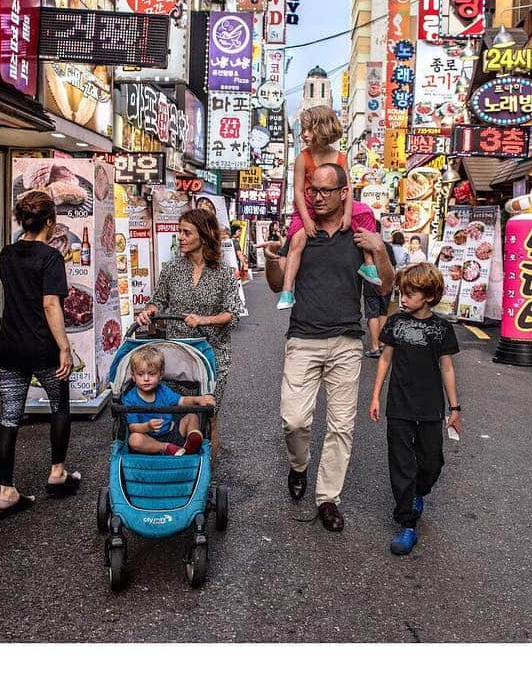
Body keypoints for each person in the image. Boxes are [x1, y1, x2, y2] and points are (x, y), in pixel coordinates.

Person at [264, 162, 395, 532]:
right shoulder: (300, 234)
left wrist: (380, 251)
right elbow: (277, 285)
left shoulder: (358, 236)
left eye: (325, 191)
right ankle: (298, 465)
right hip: (302, 339)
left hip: (346, 343)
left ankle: (327, 498)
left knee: (341, 427)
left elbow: (384, 288)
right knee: (294, 420)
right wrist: (272, 260)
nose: (317, 198)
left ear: (343, 194)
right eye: (313, 192)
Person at [0, 190, 78, 520]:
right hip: (42, 346)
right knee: (60, 405)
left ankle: (6, 492)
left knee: (9, 417)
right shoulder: (50, 257)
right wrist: (64, 348)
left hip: (11, 345)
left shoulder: (6, 254)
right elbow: (50, 304)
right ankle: (57, 472)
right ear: (50, 222)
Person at [369, 263, 461, 556]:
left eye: (410, 293)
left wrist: (454, 407)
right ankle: (407, 522)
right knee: (401, 465)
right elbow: (385, 360)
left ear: (430, 295)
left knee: (432, 462)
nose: (404, 298)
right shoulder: (395, 323)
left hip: (431, 407)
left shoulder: (442, 329)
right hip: (399, 405)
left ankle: (419, 492)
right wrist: (375, 396)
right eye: (402, 293)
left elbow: (447, 368)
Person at [137, 208, 244, 454]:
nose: (181, 237)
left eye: (186, 232)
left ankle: (206, 472)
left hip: (212, 353)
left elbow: (232, 314)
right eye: (179, 232)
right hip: (177, 353)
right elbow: (158, 301)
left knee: (208, 412)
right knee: (176, 411)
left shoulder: (224, 273)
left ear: (204, 236)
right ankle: (177, 464)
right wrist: (149, 311)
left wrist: (203, 320)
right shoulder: (172, 270)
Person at [277, 105, 380, 309]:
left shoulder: (340, 157)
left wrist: (349, 214)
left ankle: (369, 265)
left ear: (322, 129)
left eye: (309, 129)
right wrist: (306, 219)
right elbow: (298, 191)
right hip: (307, 204)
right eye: (303, 130)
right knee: (297, 240)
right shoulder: (302, 158)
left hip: (337, 203)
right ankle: (287, 290)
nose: (304, 135)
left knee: (365, 216)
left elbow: (348, 188)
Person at [122, 345, 214, 456]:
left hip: (171, 431)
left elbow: (181, 400)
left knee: (192, 416)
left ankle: (192, 439)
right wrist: (148, 426)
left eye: (151, 374)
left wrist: (198, 399)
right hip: (148, 438)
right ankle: (165, 447)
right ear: (133, 376)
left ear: (160, 375)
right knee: (134, 439)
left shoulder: (163, 390)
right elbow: (133, 427)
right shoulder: (130, 399)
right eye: (140, 375)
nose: (146, 379)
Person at [364, 238, 397, 358]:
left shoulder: (365, 244)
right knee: (383, 312)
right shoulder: (386, 246)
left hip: (371, 283)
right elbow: (393, 266)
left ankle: (375, 347)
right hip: (387, 283)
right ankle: (382, 342)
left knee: (372, 314)